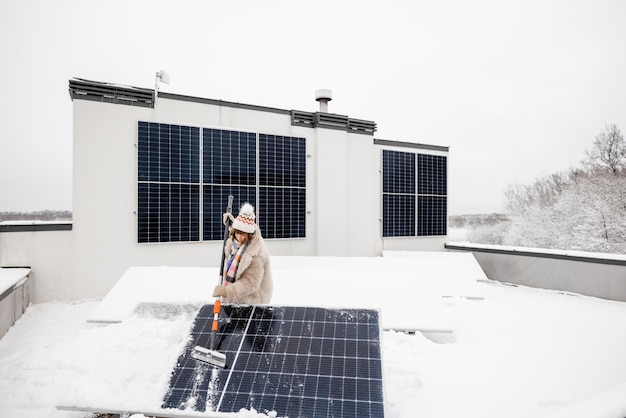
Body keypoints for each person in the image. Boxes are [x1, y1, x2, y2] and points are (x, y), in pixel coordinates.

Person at [212, 202, 273, 304]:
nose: (239, 237)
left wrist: (227, 291)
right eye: (237, 232)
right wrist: (231, 222)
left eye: (243, 234)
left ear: (249, 234)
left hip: (254, 299)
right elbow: (243, 227)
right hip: (239, 296)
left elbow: (251, 283)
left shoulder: (257, 254)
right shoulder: (235, 243)